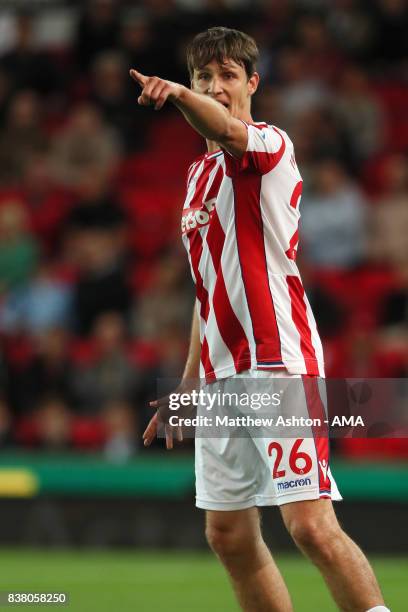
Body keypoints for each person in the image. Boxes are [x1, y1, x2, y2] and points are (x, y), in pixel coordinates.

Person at [131, 27, 389, 612]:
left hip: (279, 362)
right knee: (227, 536)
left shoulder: (269, 145)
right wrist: (190, 380)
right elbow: (208, 288)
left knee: (310, 528)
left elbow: (223, 129)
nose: (216, 88)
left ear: (252, 83)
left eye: (227, 76)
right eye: (204, 78)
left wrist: (176, 94)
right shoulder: (196, 180)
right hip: (221, 377)